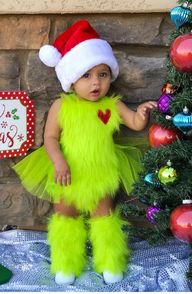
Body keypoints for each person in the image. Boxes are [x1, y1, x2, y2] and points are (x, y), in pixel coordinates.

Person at [13, 19, 156, 286]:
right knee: (66, 217)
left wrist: (143, 113)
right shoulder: (62, 106)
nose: (96, 83)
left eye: (102, 74)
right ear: (71, 78)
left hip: (101, 175)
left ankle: (109, 261)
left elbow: (135, 123)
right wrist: (58, 161)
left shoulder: (112, 105)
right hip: (68, 174)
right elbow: (50, 137)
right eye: (86, 75)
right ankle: (67, 262)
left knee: (104, 217)